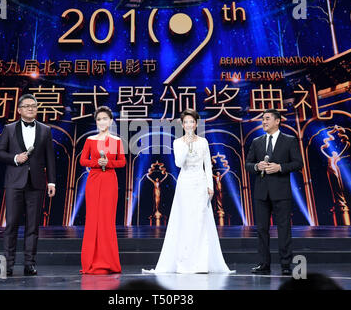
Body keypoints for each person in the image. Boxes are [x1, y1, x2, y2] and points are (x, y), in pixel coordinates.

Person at [143, 109, 235, 274]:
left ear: (196, 123)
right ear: (182, 124)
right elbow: (178, 163)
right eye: (186, 122)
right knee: (185, 221)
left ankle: (201, 263)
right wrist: (187, 144)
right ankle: (185, 262)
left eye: (192, 122)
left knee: (200, 220)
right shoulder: (178, 142)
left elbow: (208, 164)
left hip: (200, 182)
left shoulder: (204, 142)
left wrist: (210, 186)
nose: (189, 125)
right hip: (185, 183)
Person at [0, 94, 56, 276]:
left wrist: (51, 181)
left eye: (34, 106)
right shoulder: (9, 129)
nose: (31, 108)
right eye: (27, 106)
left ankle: (29, 263)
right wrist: (15, 158)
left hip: (36, 183)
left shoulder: (45, 130)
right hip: (14, 182)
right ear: (19, 109)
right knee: (11, 224)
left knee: (33, 226)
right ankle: (8, 264)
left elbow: (50, 158)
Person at [245, 109, 303, 275]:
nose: (264, 122)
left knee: (284, 228)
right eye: (263, 119)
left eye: (267, 119)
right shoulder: (257, 142)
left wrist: (280, 167)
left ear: (277, 121)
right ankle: (264, 264)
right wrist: (257, 166)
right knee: (262, 229)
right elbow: (247, 164)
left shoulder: (289, 141)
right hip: (261, 193)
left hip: (281, 192)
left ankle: (285, 264)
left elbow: (298, 163)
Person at [79, 106, 126, 274]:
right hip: (94, 179)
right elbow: (83, 160)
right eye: (99, 119)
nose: (102, 122)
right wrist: (97, 163)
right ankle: (90, 261)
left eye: (105, 118)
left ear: (111, 121)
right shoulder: (90, 140)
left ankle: (108, 261)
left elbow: (122, 162)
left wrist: (109, 163)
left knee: (107, 220)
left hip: (109, 181)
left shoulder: (116, 141)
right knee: (93, 219)